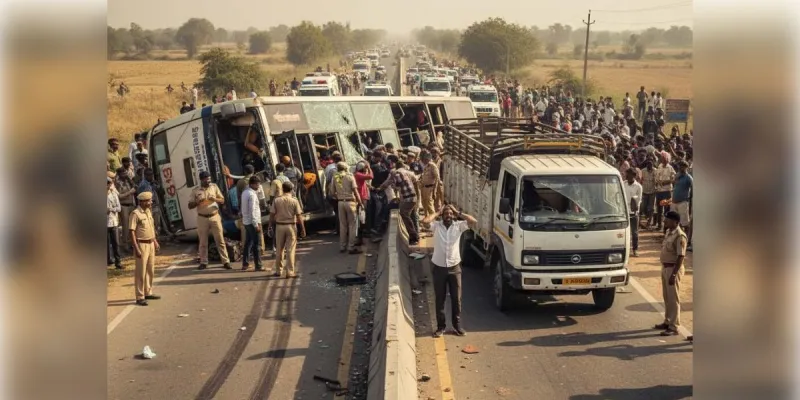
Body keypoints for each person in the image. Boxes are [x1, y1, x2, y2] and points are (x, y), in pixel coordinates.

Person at [422, 205, 477, 337]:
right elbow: (424, 222)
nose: (448, 215)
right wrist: (437, 212)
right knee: (440, 299)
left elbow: (473, 221)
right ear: (442, 215)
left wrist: (458, 212)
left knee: (456, 299)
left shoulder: (458, 226)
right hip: (439, 268)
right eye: (446, 213)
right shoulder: (436, 226)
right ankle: (441, 327)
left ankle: (457, 326)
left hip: (454, 268)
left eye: (450, 213)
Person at [188, 171, 232, 270]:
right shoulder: (195, 190)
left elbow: (222, 200)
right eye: (206, 179)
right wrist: (197, 202)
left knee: (220, 240)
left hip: (214, 216)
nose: (208, 181)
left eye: (209, 179)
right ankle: (204, 262)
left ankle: (226, 261)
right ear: (201, 180)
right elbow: (189, 205)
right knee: (203, 242)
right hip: (202, 218)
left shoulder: (214, 187)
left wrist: (215, 199)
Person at [655, 211, 687, 336]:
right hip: (665, 267)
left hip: (673, 269)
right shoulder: (669, 232)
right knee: (667, 297)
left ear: (675, 222)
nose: (664, 221)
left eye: (667, 220)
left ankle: (674, 326)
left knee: (674, 299)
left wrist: (674, 274)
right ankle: (667, 321)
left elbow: (681, 256)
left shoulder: (680, 236)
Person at [130, 191, 161, 306]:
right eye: (148, 200)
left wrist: (155, 241)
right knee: (140, 272)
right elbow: (132, 232)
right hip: (141, 244)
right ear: (142, 201)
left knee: (150, 270)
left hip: (151, 243)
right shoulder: (135, 214)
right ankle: (140, 296)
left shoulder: (148, 211)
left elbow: (151, 228)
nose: (150, 202)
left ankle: (148, 291)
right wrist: (136, 248)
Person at [378, 160, 419, 245]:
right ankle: (415, 234)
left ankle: (413, 236)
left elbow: (387, 183)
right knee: (411, 215)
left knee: (405, 215)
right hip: (413, 197)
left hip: (406, 198)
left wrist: (379, 188)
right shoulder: (408, 172)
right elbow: (415, 180)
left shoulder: (395, 173)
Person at [270, 182, 306, 278]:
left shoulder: (277, 200)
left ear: (282, 189)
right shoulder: (294, 200)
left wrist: (270, 225)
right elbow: (299, 216)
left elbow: (272, 214)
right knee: (290, 250)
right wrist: (302, 228)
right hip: (291, 226)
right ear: (291, 189)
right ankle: (290, 272)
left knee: (279, 249)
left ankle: (278, 271)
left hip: (279, 226)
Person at [330, 162, 363, 254]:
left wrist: (339, 197)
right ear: (345, 168)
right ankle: (351, 247)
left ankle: (342, 246)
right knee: (352, 225)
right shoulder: (350, 176)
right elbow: (355, 191)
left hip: (340, 202)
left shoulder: (335, 177)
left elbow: (332, 192)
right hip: (350, 202)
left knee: (343, 225)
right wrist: (360, 202)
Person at [241, 175, 264, 271]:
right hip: (252, 222)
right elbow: (252, 211)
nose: (258, 186)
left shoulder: (245, 192)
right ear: (252, 184)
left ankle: (245, 264)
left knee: (248, 243)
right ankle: (258, 266)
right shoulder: (252, 195)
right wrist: (256, 224)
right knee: (257, 244)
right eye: (257, 184)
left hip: (246, 221)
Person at [670, 160, 693, 245]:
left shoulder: (689, 178)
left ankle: (686, 240)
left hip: (683, 202)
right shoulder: (677, 175)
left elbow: (693, 190)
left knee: (685, 223)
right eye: (680, 166)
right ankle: (676, 239)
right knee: (674, 222)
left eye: (682, 166)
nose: (680, 168)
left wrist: (689, 202)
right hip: (674, 202)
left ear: (686, 167)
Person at [115, 167, 137, 253]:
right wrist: (130, 192)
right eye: (123, 173)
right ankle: (125, 245)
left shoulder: (128, 181)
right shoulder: (117, 183)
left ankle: (132, 243)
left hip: (131, 204)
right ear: (119, 174)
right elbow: (119, 196)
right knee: (126, 226)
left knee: (133, 225)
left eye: (125, 173)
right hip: (123, 206)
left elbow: (135, 187)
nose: (125, 174)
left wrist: (129, 179)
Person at [623, 168, 643, 256]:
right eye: (626, 174)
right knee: (624, 233)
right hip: (624, 212)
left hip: (633, 212)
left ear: (634, 176)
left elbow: (638, 200)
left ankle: (635, 250)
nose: (626, 176)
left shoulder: (638, 186)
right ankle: (624, 250)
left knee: (634, 233)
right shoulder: (623, 184)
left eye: (628, 174)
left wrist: (633, 210)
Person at [654, 153, 676, 231]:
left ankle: (666, 227)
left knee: (667, 209)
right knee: (659, 209)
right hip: (659, 191)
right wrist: (657, 182)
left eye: (664, 158)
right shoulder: (659, 166)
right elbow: (656, 177)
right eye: (662, 158)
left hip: (667, 191)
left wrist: (665, 182)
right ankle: (659, 225)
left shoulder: (670, 168)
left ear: (667, 159)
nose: (663, 160)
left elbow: (673, 179)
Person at [107, 177, 123, 269]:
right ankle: (108, 261)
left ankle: (118, 262)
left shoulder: (113, 194)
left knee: (116, 243)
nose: (108, 185)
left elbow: (119, 208)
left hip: (113, 221)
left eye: (109, 183)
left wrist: (111, 209)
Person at [419, 152, 439, 222]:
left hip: (429, 188)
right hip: (423, 187)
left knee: (430, 205)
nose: (423, 161)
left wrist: (435, 190)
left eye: (424, 159)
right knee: (424, 204)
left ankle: (434, 221)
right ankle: (427, 220)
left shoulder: (433, 166)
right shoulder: (426, 166)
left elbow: (437, 178)